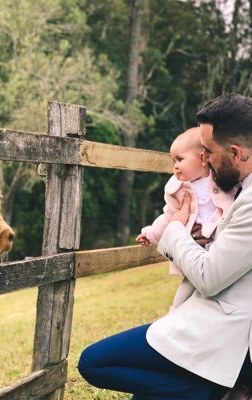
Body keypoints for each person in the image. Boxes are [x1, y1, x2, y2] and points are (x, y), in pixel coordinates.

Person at [78, 93, 252, 400]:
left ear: (238, 153)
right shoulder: (239, 189)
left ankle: (207, 394)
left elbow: (210, 278)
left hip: (224, 331)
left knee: (93, 362)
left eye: (209, 152)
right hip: (208, 321)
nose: (205, 160)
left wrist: (175, 229)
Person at [136, 127, 236, 308]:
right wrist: (151, 233)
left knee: (220, 286)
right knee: (186, 291)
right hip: (193, 246)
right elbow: (170, 217)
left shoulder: (222, 179)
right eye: (173, 160)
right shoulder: (179, 189)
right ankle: (176, 315)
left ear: (203, 158)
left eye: (180, 159)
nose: (175, 165)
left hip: (220, 242)